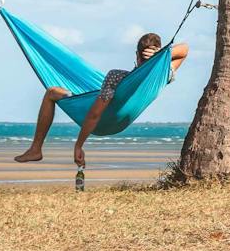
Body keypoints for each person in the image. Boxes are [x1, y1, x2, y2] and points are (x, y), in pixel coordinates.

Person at [13, 32, 188, 166]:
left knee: (52, 92)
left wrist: (78, 145)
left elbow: (94, 114)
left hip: (99, 120)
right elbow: (184, 50)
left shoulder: (116, 77)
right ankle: (35, 149)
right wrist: (162, 55)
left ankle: (36, 149)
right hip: (119, 124)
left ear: (136, 54)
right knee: (86, 92)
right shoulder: (162, 75)